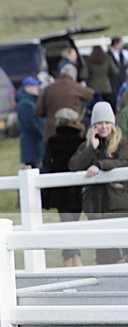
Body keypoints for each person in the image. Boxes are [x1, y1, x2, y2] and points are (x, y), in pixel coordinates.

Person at [68, 101, 128, 264]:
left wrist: (100, 165)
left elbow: (124, 162)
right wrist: (91, 149)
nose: (104, 127)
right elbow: (74, 165)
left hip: (119, 203)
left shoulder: (122, 144)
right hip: (95, 205)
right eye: (99, 123)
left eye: (107, 122)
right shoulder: (87, 146)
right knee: (104, 253)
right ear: (93, 125)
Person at [41, 108, 86, 267]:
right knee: (75, 224)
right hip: (79, 190)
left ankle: (69, 258)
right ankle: (75, 257)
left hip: (60, 191)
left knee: (66, 224)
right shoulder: (81, 141)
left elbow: (47, 164)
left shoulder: (53, 141)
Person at [36, 64, 95, 142]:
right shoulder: (76, 87)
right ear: (74, 76)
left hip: (51, 131)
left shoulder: (48, 88)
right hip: (72, 130)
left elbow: (39, 111)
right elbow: (94, 95)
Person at [16, 77, 45, 169]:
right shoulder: (26, 104)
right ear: (27, 88)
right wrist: (41, 133)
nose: (37, 88)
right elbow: (29, 124)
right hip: (31, 143)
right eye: (34, 86)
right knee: (34, 168)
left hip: (34, 142)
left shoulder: (31, 102)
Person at [85, 46, 120, 110]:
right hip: (106, 87)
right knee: (108, 108)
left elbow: (84, 75)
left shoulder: (89, 60)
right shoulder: (107, 58)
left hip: (93, 87)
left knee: (95, 109)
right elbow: (115, 71)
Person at [108, 37, 128, 110]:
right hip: (113, 80)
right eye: (120, 43)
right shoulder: (108, 54)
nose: (121, 45)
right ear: (116, 44)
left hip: (122, 79)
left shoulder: (123, 53)